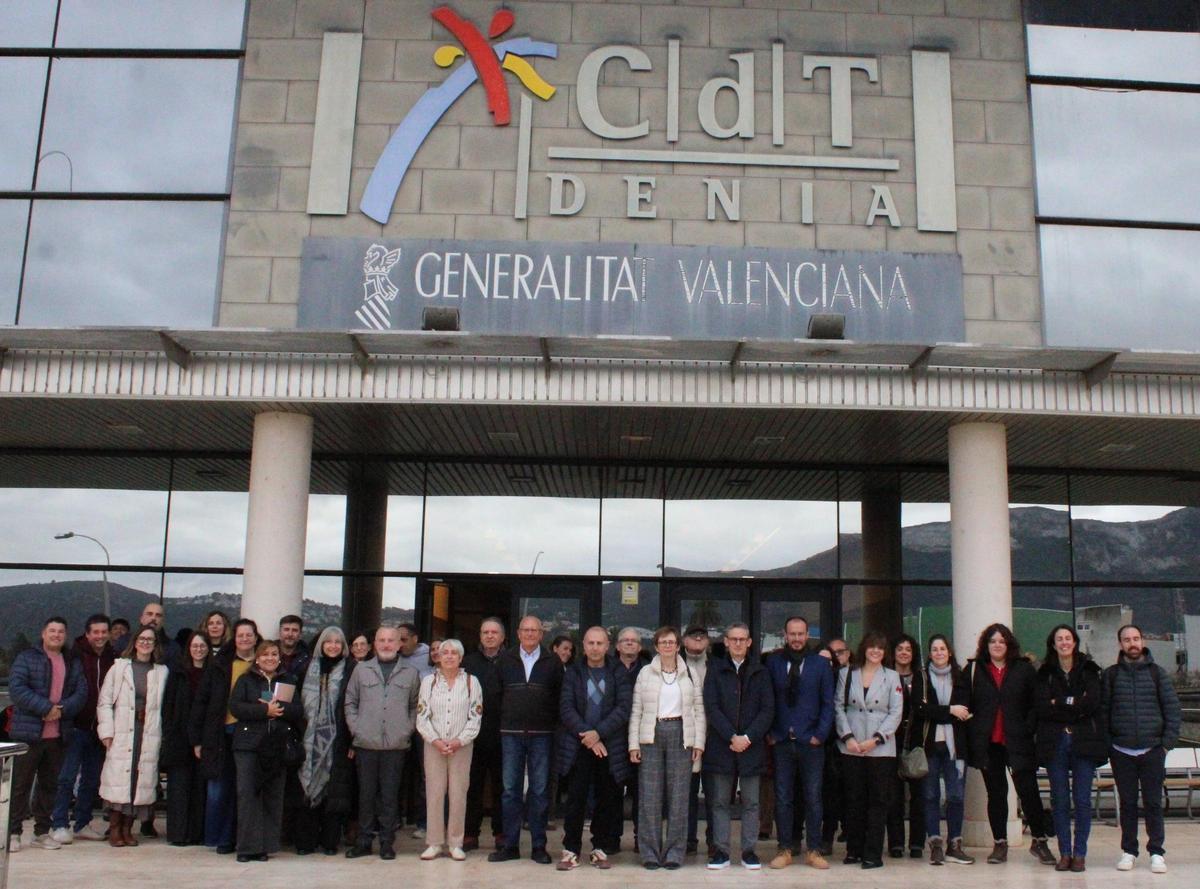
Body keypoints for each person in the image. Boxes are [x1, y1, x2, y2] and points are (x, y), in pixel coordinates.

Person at [960, 622, 1054, 865]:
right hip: (989, 743)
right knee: (997, 794)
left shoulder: (1023, 669)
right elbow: (963, 704)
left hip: (1018, 741)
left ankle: (1040, 841)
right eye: (992, 641)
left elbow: (1037, 703)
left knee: (1029, 792)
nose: (997, 645)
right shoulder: (973, 670)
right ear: (985, 644)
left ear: (1008, 644)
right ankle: (1000, 843)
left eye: (1001, 641)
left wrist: (1028, 727)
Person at [1102, 624, 1181, 875]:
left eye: (1135, 638)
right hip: (1121, 750)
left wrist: (1166, 745)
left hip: (1152, 750)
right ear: (1120, 644)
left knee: (1153, 803)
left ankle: (1156, 852)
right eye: (1126, 639)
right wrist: (1108, 745)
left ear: (1142, 641)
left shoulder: (1158, 674)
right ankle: (1129, 851)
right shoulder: (1111, 675)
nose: (1132, 643)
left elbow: (1172, 711)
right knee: (1127, 803)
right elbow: (1103, 712)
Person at [6, 616, 87, 852]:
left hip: (58, 735)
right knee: (20, 786)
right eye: (52, 631)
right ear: (43, 634)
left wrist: (60, 710)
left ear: (66, 636)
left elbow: (81, 692)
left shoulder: (71, 661)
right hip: (28, 734)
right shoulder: (27, 657)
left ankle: (42, 832)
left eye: (61, 631)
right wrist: (46, 708)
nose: (56, 635)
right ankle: (12, 832)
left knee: (49, 786)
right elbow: (17, 689)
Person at [629, 626, 705, 870]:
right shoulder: (645, 673)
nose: (668, 646)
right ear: (656, 646)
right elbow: (637, 710)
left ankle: (674, 852)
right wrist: (633, 744)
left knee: (679, 797)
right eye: (663, 642)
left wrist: (699, 743)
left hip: (681, 734)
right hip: (651, 735)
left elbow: (698, 711)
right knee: (649, 797)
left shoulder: (690, 673)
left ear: (678, 646)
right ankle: (650, 852)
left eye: (671, 642)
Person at [488, 615, 562, 865]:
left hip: (542, 735)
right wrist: (507, 721)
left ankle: (539, 846)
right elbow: (496, 697)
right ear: (518, 633)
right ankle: (510, 845)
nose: (530, 634)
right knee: (510, 791)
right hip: (511, 735)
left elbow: (559, 698)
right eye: (525, 630)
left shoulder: (552, 662)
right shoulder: (505, 660)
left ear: (542, 634)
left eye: (535, 630)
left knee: (540, 791)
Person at [556, 627, 631, 871]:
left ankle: (599, 847)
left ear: (608, 646)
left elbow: (623, 707)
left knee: (607, 798)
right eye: (591, 643)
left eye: (600, 643)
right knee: (575, 798)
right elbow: (566, 708)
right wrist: (589, 736)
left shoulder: (618, 671)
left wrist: (598, 734)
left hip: (610, 746)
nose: (595, 648)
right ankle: (571, 849)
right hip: (578, 745)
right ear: (584, 645)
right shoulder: (574, 671)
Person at [343, 624, 420, 860]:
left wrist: (406, 730)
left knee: (390, 796)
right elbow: (350, 702)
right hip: (366, 744)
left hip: (396, 746)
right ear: (374, 644)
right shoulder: (361, 670)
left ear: (399, 645)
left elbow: (415, 706)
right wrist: (358, 729)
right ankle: (364, 841)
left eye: (391, 640)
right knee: (365, 795)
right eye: (381, 640)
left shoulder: (410, 673)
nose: (386, 644)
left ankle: (387, 842)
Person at [1034, 624, 1106, 872]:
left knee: (1083, 800)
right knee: (1060, 800)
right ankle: (1064, 852)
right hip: (1055, 743)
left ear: (1074, 642)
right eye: (1059, 639)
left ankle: (1080, 854)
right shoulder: (1044, 673)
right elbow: (1042, 707)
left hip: (1084, 742)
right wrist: (1075, 702)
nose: (1064, 642)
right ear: (1053, 645)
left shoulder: (1089, 670)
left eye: (1068, 638)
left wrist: (1061, 702)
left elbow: (1093, 702)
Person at [702, 622, 773, 871]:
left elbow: (768, 710)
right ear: (726, 641)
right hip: (722, 746)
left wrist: (748, 737)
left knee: (752, 802)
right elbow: (711, 707)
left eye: (743, 639)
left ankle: (749, 851)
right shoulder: (715, 670)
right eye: (734, 639)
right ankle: (720, 851)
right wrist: (731, 736)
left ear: (750, 642)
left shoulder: (761, 672)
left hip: (751, 747)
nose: (738, 643)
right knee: (720, 802)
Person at [766, 616, 833, 870]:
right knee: (783, 797)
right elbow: (767, 698)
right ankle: (784, 849)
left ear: (807, 635)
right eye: (792, 634)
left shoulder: (820, 664)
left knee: (813, 797)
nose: (796, 638)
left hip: (811, 742)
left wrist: (820, 734)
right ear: (785, 634)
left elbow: (828, 703)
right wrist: (771, 732)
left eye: (801, 634)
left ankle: (813, 850)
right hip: (781, 740)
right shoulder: (773, 662)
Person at [190, 617, 260, 854]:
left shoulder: (263, 663)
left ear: (255, 637)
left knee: (244, 790)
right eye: (240, 635)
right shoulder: (220, 665)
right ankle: (218, 838)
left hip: (250, 735)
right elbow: (201, 701)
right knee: (219, 789)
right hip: (221, 733)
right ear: (234, 638)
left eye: (248, 635)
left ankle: (239, 839)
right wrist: (197, 739)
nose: (244, 639)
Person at [229, 639, 303, 862]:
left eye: (274, 654)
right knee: (248, 795)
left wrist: (279, 709)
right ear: (257, 658)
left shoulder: (288, 680)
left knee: (272, 795)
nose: (270, 658)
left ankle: (265, 846)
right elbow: (236, 707)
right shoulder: (245, 680)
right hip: (249, 746)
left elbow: (298, 710)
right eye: (265, 655)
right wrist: (264, 710)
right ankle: (246, 848)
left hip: (276, 745)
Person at [95, 626, 169, 847]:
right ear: (135, 642)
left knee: (139, 780)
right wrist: (106, 731)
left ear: (155, 645)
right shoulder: (119, 668)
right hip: (122, 730)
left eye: (150, 640)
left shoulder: (161, 672)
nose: (146, 643)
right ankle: (115, 828)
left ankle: (129, 828)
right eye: (142, 639)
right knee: (119, 779)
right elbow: (105, 701)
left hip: (147, 731)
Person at [835, 631, 902, 870]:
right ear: (864, 649)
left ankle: (873, 853)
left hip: (880, 749)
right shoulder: (847, 674)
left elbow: (896, 713)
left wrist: (875, 739)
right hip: (851, 746)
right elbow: (839, 707)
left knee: (878, 801)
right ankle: (854, 849)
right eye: (872, 647)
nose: (876, 652)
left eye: (881, 648)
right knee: (854, 799)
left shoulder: (892, 677)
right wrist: (848, 737)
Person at [50, 613, 115, 845]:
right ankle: (58, 823)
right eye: (95, 632)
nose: (99, 636)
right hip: (75, 726)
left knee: (90, 779)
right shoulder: (73, 655)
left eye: (103, 632)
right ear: (87, 634)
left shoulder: (113, 657)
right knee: (67, 778)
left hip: (99, 729)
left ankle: (83, 822)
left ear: (109, 634)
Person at [416, 639, 482, 861]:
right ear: (439, 657)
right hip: (433, 746)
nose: (449, 656)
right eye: (445, 653)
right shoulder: (429, 682)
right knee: (434, 793)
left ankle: (455, 842)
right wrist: (435, 740)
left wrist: (458, 741)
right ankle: (434, 842)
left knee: (458, 793)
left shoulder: (472, 682)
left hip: (461, 747)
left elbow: (475, 717)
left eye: (454, 653)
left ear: (461, 658)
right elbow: (422, 716)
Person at [295, 626, 356, 856]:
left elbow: (354, 705)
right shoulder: (305, 668)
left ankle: (330, 842)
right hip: (308, 739)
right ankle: (305, 841)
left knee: (334, 790)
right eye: (328, 641)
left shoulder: (351, 670)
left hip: (337, 740)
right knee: (307, 787)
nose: (332, 646)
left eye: (337, 642)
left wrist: (352, 740)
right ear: (321, 644)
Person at [917, 634, 973, 865]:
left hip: (955, 747)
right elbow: (920, 709)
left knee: (956, 796)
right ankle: (935, 844)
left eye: (942, 648)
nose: (939, 652)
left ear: (949, 652)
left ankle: (954, 844)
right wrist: (949, 710)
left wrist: (942, 710)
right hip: (930, 746)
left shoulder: (961, 677)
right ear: (929, 654)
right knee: (930, 796)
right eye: (934, 649)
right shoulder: (921, 678)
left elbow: (967, 710)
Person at [161, 631, 210, 846]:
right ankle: (178, 834)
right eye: (194, 646)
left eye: (202, 646)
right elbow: (168, 706)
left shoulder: (213, 673)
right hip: (179, 738)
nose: (198, 650)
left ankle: (196, 833)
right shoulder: (178, 673)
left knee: (199, 789)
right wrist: (169, 733)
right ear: (188, 648)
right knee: (179, 789)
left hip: (204, 738)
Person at [462, 617, 506, 851]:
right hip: (473, 735)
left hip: (503, 734)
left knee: (502, 787)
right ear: (480, 635)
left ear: (502, 636)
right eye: (485, 632)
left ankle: (501, 833)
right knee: (472, 786)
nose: (489, 636)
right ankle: (470, 833)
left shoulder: (511, 661)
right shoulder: (468, 662)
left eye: (494, 632)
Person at [887, 634, 926, 859]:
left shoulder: (922, 677)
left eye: (908, 649)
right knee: (893, 795)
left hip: (916, 741)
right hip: (890, 741)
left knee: (918, 795)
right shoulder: (886, 677)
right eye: (900, 648)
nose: (903, 652)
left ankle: (917, 843)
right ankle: (896, 843)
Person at [614, 626, 649, 852]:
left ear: (640, 646)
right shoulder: (607, 668)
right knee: (611, 792)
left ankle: (641, 839)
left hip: (641, 739)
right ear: (617, 646)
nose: (629, 643)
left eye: (633, 641)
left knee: (641, 793)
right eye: (624, 640)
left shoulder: (648, 671)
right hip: (613, 738)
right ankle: (611, 838)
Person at [397, 622, 432, 838]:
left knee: (425, 773)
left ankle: (423, 821)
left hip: (423, 723)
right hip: (398, 722)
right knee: (396, 772)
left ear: (415, 639)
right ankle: (394, 818)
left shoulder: (429, 656)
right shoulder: (393, 657)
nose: (399, 644)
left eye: (403, 639)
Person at [681, 625, 712, 856]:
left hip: (714, 735)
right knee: (687, 792)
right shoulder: (674, 664)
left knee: (714, 792)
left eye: (702, 637)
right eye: (693, 636)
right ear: (684, 640)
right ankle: (688, 839)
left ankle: (714, 840)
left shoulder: (716, 665)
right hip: (685, 736)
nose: (698, 640)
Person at [820, 637, 851, 855]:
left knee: (838, 795)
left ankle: (836, 835)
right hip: (817, 742)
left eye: (839, 652)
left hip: (842, 743)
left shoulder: (848, 679)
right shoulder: (815, 677)